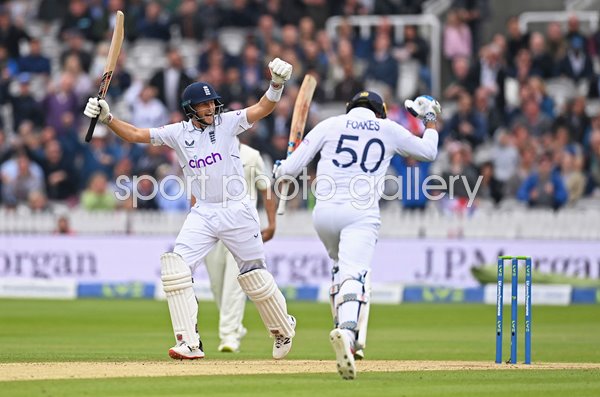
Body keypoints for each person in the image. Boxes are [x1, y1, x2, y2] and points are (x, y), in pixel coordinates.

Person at [83, 58, 296, 360]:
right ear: (190, 109)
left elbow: (263, 108)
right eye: (204, 105)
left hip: (238, 210)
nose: (211, 109)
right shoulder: (178, 133)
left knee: (254, 277)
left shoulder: (228, 122)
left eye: (212, 103)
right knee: (175, 267)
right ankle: (189, 342)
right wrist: (108, 119)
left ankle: (283, 328)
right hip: (205, 213)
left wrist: (276, 84)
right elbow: (135, 135)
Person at [273, 91, 441, 379]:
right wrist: (430, 120)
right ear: (379, 112)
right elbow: (429, 152)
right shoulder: (387, 128)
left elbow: (289, 169)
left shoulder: (330, 124)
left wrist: (280, 169)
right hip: (360, 214)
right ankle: (348, 335)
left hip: (323, 214)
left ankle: (345, 323)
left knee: (340, 267)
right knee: (355, 274)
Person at [203, 142, 276, 353]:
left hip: (242, 228)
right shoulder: (207, 153)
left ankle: (229, 335)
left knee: (234, 284)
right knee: (217, 285)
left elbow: (266, 190)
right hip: (213, 226)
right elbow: (197, 190)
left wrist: (272, 223)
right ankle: (235, 326)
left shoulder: (252, 156)